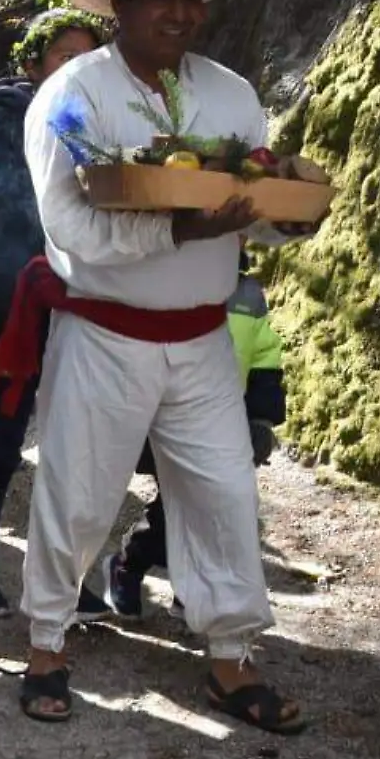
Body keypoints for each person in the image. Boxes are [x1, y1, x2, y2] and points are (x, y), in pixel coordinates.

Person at [0, 0, 311, 731]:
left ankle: (231, 655)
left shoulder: (232, 93)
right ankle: (45, 645)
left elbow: (251, 200)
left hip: (204, 338)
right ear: (119, 4)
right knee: (78, 491)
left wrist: (288, 220)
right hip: (105, 333)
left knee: (223, 492)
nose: (178, 11)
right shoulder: (73, 94)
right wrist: (177, 230)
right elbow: (69, 225)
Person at [0, 8, 108, 619]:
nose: (78, 67)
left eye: (88, 56)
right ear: (35, 63)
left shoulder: (97, 128)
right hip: (7, 310)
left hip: (82, 311)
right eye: (65, 56)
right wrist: (7, 299)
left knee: (76, 449)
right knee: (0, 445)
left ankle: (69, 574)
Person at [104, 247, 287, 619]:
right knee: (182, 508)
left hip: (223, 422)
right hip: (164, 417)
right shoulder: (170, 277)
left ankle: (190, 590)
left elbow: (265, 354)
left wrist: (262, 418)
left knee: (209, 510)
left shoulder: (247, 293)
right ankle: (129, 564)